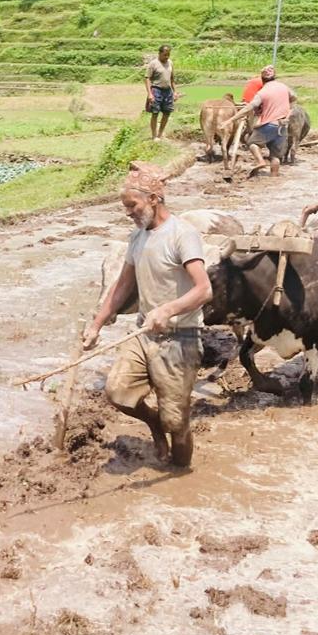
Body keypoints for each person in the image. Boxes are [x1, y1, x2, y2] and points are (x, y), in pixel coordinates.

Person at [81, 165, 212, 469]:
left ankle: (181, 474)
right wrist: (97, 325)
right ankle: (154, 426)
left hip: (181, 337)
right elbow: (123, 283)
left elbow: (204, 290)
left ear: (153, 199)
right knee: (116, 391)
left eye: (132, 206)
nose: (128, 213)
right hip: (144, 334)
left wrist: (167, 310)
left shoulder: (183, 235)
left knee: (177, 423)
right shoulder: (137, 236)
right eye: (125, 207)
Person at [142, 45, 177, 139]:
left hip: (167, 90)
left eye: (168, 55)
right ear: (160, 53)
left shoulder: (170, 63)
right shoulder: (153, 64)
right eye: (165, 55)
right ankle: (154, 136)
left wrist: (175, 92)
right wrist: (150, 93)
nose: (166, 57)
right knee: (155, 113)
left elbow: (172, 78)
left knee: (167, 112)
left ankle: (160, 134)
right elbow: (147, 78)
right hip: (156, 90)